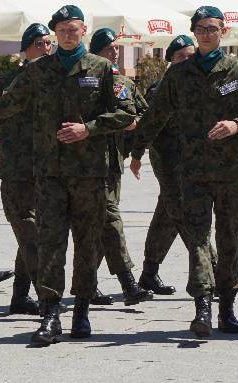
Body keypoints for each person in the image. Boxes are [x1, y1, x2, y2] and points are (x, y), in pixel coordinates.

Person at [0, 5, 140, 345]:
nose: (69, 34)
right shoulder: (37, 70)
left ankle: (81, 312)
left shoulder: (102, 69)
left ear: (83, 31)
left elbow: (126, 114)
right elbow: (4, 107)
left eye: (74, 28)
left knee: (87, 243)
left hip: (89, 174)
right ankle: (51, 314)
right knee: (49, 244)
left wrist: (89, 128)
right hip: (49, 174)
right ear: (55, 33)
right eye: (63, 29)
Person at [129, 6, 238, 338]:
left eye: (212, 29)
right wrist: (136, 151)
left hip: (230, 172)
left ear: (223, 32)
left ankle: (228, 307)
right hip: (192, 171)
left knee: (229, 239)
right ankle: (202, 307)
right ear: (194, 33)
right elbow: (155, 115)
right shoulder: (179, 74)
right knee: (197, 239)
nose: (206, 34)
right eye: (201, 29)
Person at [128, 35, 218, 297]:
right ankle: (212, 272)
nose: (187, 60)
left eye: (191, 55)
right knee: (185, 214)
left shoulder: (200, 82)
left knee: (167, 214)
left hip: (194, 158)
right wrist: (137, 153)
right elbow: (151, 123)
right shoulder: (160, 88)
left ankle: (149, 273)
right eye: (181, 57)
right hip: (169, 159)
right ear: (170, 61)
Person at [0, 23, 53, 316]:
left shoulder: (55, 80)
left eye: (49, 43)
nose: (47, 48)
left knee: (34, 235)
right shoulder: (10, 80)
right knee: (30, 233)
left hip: (48, 170)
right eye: (40, 43)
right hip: (17, 170)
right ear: (27, 48)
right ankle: (47, 299)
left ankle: (21, 296)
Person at [88, 27, 154, 306]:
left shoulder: (123, 82)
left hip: (114, 162)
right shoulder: (87, 81)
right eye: (108, 48)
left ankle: (88, 284)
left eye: (116, 47)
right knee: (110, 222)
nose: (114, 52)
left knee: (102, 225)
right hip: (89, 164)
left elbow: (145, 114)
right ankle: (128, 284)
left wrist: (134, 125)